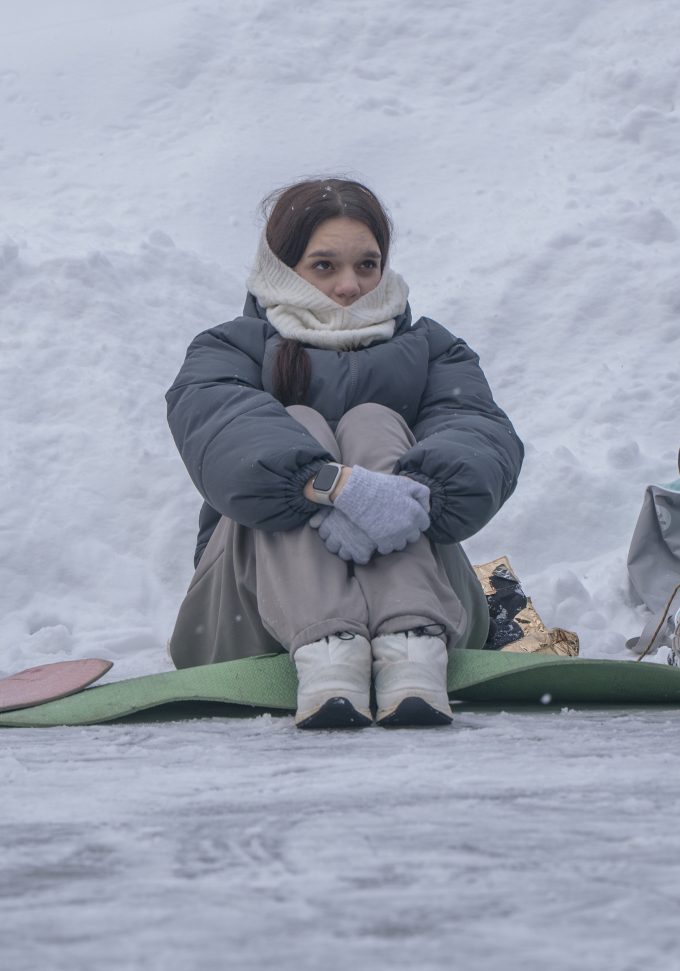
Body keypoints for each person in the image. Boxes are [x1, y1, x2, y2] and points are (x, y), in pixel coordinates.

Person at [165, 178, 524, 729]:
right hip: (248, 621)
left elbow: (478, 435)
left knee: (373, 421)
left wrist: (407, 497)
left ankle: (411, 648)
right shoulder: (227, 351)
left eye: (367, 265)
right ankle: (330, 653)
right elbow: (227, 438)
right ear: (283, 268)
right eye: (324, 266)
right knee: (298, 424)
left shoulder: (435, 351)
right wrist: (331, 487)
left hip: (430, 615)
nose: (350, 285)